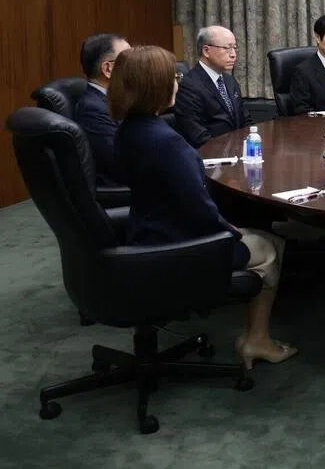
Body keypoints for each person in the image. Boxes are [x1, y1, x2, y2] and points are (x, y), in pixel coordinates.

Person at [110, 46, 296, 369]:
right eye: (174, 77)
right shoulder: (167, 142)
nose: (178, 83)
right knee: (270, 245)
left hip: (148, 231)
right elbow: (199, 207)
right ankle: (257, 340)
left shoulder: (128, 130)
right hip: (181, 245)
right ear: (157, 86)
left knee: (260, 235)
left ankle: (256, 336)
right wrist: (230, 230)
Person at [174, 25, 252, 148]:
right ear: (206, 51)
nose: (233, 55)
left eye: (234, 48)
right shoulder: (188, 86)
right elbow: (197, 135)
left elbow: (245, 120)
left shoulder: (230, 81)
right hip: (213, 157)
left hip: (238, 152)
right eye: (227, 48)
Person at [74, 32, 131, 186]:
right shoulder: (92, 110)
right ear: (108, 69)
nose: (136, 66)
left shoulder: (114, 100)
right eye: (130, 60)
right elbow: (123, 164)